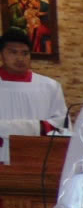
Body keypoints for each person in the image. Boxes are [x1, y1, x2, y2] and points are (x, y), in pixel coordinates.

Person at [0, 29, 67, 164]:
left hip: (38, 160)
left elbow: (60, 125)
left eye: (25, 53)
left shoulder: (50, 87)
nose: (20, 58)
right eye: (13, 52)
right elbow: (44, 126)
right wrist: (37, 127)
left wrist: (6, 128)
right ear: (2, 54)